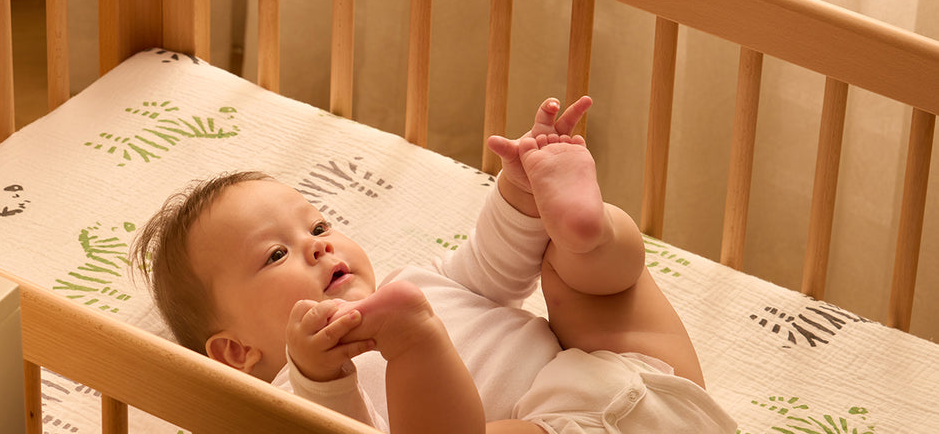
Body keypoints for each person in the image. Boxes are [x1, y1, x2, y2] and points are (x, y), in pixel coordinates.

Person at [131, 97, 736, 433]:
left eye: (317, 227)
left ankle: (589, 230)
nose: (317, 246)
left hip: (655, 383)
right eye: (275, 254)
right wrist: (319, 376)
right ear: (236, 352)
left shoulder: (417, 281)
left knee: (569, 260)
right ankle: (420, 340)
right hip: (549, 424)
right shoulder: (297, 391)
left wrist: (521, 195)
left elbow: (497, 263)